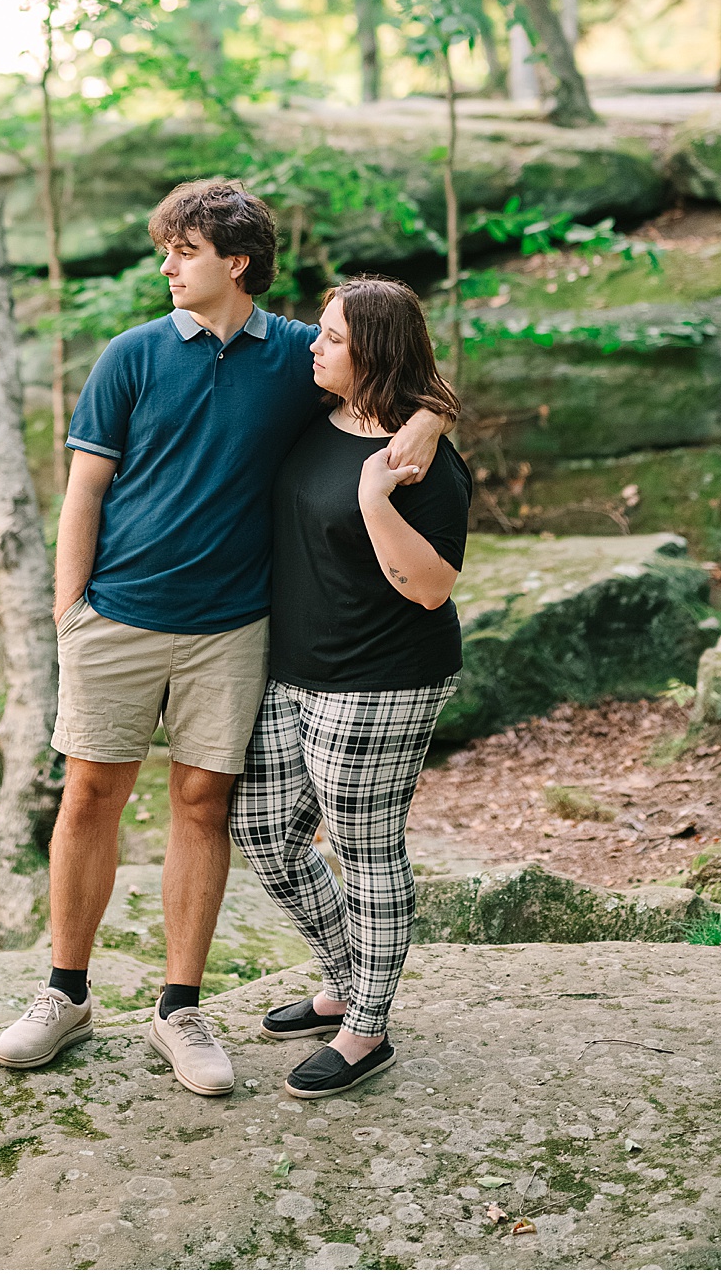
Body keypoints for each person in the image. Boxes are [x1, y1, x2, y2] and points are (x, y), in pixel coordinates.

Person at [0, 181, 451, 1097]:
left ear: (234, 263)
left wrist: (433, 421)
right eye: (167, 251)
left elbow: (396, 379)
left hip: (233, 630)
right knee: (89, 797)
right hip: (115, 616)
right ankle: (64, 993)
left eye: (182, 251)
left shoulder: (295, 355)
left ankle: (179, 1006)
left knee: (205, 807)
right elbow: (85, 489)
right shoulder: (130, 356)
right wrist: (67, 608)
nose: (166, 267)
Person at [230, 275, 470, 1100]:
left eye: (333, 336)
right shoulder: (312, 411)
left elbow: (431, 586)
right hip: (294, 668)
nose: (314, 345)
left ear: (373, 350)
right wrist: (437, 406)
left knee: (364, 846)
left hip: (384, 677)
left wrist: (375, 496)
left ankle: (367, 1027)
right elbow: (437, 390)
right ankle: (342, 979)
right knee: (262, 829)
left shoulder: (417, 463)